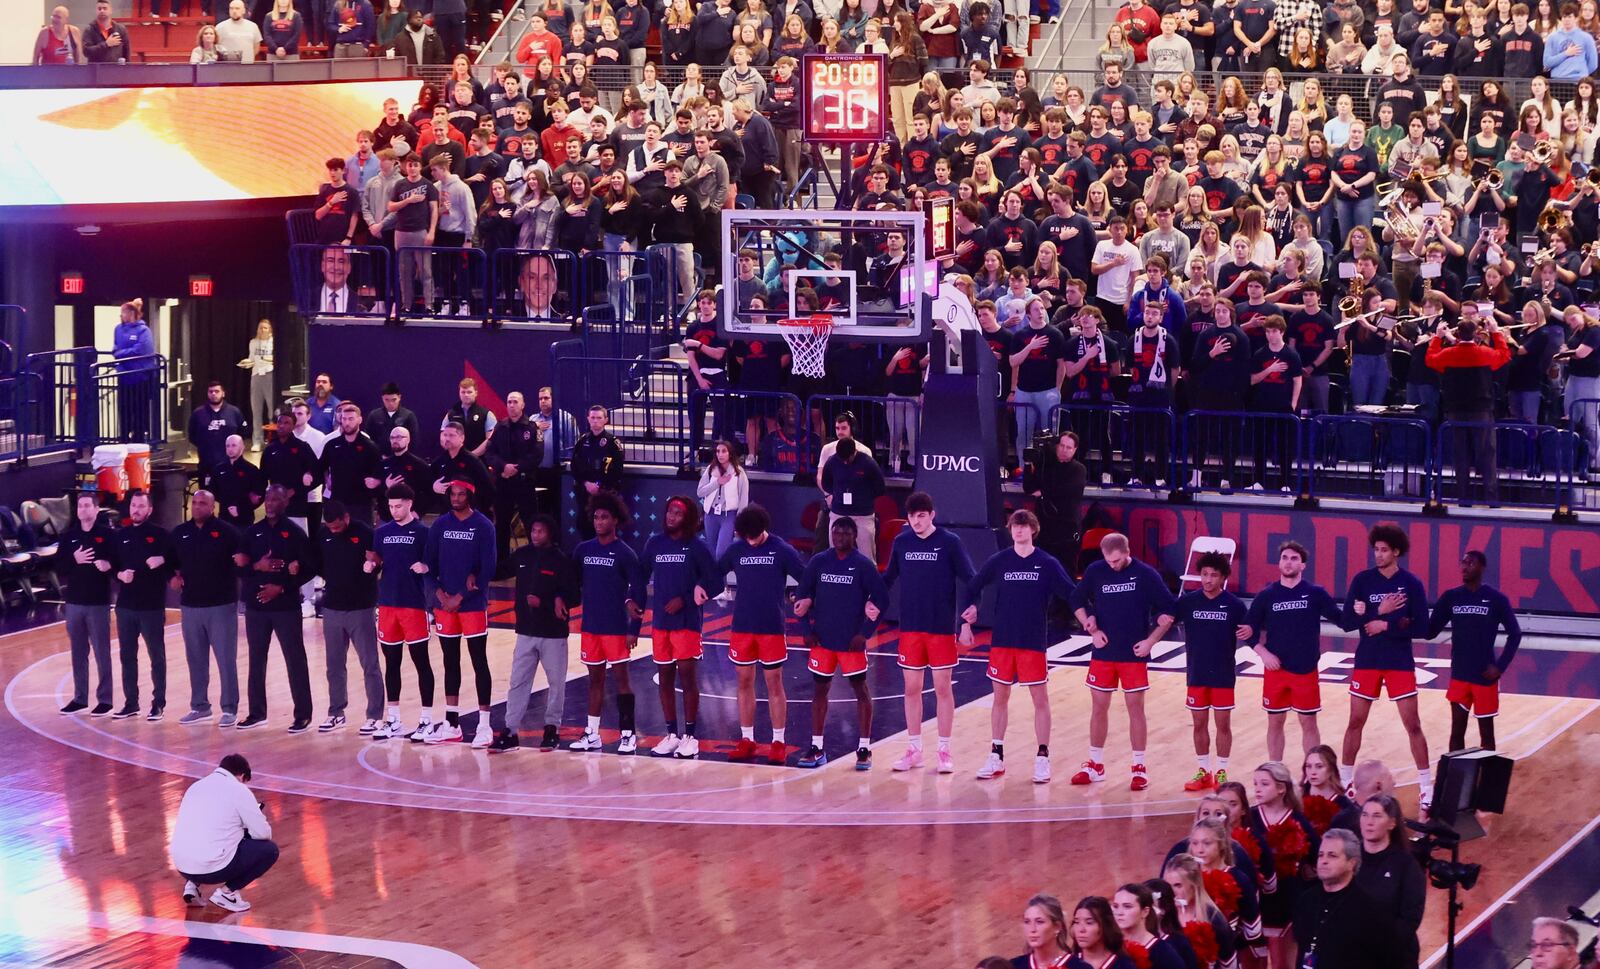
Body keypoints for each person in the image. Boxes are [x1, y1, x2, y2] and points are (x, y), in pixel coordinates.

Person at [962, 509, 1075, 783]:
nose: (1019, 530)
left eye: (1024, 526)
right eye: (1015, 526)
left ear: (1033, 530)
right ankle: (996, 756)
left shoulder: (1046, 563)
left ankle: (1042, 757)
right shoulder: (999, 560)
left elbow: (1072, 593)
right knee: (1000, 700)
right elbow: (972, 586)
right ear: (1010, 529)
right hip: (1002, 641)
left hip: (1032, 641)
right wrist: (968, 617)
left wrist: (1092, 618)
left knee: (1040, 700)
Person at [1070, 531, 1176, 790]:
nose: (1113, 565)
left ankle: (1139, 767)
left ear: (1128, 553)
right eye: (1109, 561)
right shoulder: (1096, 571)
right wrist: (1089, 625)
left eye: (1117, 561)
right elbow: (1076, 598)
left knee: (1135, 709)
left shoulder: (1146, 574)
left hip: (1133, 653)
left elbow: (1169, 608)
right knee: (1098, 707)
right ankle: (1095, 764)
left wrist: (1152, 641)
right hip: (1104, 651)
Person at [883, 491, 975, 774]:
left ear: (932, 514)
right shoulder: (901, 542)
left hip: (940, 628)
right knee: (911, 689)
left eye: (921, 515)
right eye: (912, 516)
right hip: (910, 627)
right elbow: (887, 578)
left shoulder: (949, 543)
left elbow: (970, 579)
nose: (916, 521)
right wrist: (870, 601)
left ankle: (944, 750)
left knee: (942, 689)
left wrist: (968, 618)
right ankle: (914, 749)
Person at [1341, 524, 1433, 804]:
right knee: (1355, 721)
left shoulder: (1412, 584)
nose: (1378, 555)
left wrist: (1385, 625)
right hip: (1368, 659)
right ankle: (1346, 783)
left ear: (1396, 552)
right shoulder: (1362, 581)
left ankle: (1426, 786)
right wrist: (1375, 613)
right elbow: (1347, 622)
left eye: (1384, 550)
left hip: (1398, 661)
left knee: (1413, 724)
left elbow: (1423, 628)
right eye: (1376, 550)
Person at [714, 504, 805, 764]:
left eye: (755, 536)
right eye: (747, 537)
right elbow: (714, 574)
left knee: (774, 682)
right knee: (743, 681)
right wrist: (700, 587)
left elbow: (805, 577)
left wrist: (801, 597)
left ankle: (778, 741)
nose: (751, 541)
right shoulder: (737, 548)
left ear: (764, 529)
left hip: (771, 627)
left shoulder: (782, 549)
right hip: (742, 625)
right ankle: (747, 739)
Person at [793, 517, 887, 770]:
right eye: (836, 532)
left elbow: (882, 599)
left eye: (845, 533)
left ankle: (865, 748)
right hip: (822, 641)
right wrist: (806, 630)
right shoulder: (819, 562)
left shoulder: (863, 566)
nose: (840, 537)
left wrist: (865, 633)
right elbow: (801, 597)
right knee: (819, 692)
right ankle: (817, 747)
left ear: (854, 536)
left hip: (850, 643)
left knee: (861, 691)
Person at [631, 496, 718, 758]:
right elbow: (640, 576)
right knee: (665, 679)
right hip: (660, 624)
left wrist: (688, 597)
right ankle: (671, 734)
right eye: (670, 512)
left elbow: (715, 582)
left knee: (688, 678)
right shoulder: (654, 543)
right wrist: (631, 601)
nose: (671, 517)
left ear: (688, 518)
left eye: (678, 513)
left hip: (688, 623)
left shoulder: (697, 547)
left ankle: (690, 736)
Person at [1246, 540, 1346, 761]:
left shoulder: (1315, 593)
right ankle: (1275, 769)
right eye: (1284, 558)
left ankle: (1312, 773)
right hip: (1275, 669)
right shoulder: (1267, 595)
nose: (1288, 562)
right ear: (1279, 563)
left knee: (1308, 722)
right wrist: (1263, 653)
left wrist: (1360, 610)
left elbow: (1342, 620)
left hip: (1305, 668)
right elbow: (1247, 631)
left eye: (1294, 559)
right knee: (1275, 721)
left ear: (1303, 565)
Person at [423, 480, 498, 747]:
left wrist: (460, 596)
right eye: (452, 494)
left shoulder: (483, 526)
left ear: (470, 496)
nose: (455, 498)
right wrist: (439, 595)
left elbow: (489, 568)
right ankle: (451, 723)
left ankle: (484, 725)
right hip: (445, 605)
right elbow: (428, 566)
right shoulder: (440, 525)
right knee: (450, 661)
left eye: (461, 494)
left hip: (472, 604)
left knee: (479, 661)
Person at [491, 514, 574, 753]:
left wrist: (548, 601)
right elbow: (498, 571)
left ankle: (551, 729)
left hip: (553, 634)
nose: (535, 535)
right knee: (517, 682)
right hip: (525, 631)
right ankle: (510, 731)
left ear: (550, 533)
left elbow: (573, 596)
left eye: (540, 531)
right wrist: (476, 567)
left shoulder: (561, 560)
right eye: (533, 531)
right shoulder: (522, 555)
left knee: (556, 684)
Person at [568, 494, 643, 753]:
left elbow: (639, 592)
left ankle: (627, 734)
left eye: (605, 517)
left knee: (622, 680)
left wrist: (634, 629)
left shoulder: (625, 553)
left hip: (615, 628)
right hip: (590, 627)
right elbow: (571, 585)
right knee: (594, 681)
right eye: (596, 517)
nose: (599, 521)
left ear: (616, 520)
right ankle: (592, 733)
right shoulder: (583, 550)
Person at [236, 485, 314, 734]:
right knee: (256, 660)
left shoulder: (295, 533)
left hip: (285, 607)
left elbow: (309, 568)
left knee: (295, 659)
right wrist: (258, 567)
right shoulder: (251, 533)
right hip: (256, 608)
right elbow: (240, 568)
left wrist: (281, 587)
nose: (270, 504)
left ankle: (302, 715)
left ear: (285, 503)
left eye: (276, 499)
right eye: (267, 499)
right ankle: (257, 713)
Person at [1426, 550, 1522, 751]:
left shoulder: (1496, 599)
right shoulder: (1451, 597)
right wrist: (1407, 622)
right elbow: (1430, 631)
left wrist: (1500, 666)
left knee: (1486, 735)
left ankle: (1487, 781)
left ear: (1482, 567)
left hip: (1485, 676)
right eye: (1463, 562)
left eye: (1471, 563)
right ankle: (1456, 780)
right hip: (1460, 674)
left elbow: (1515, 634)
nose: (1465, 566)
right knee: (1456, 731)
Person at [1173, 552, 1248, 792]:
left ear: (1223, 577)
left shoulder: (1235, 605)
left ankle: (1222, 772)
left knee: (1223, 725)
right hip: (1196, 674)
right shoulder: (1188, 602)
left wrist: (1251, 634)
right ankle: (1203, 771)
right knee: (1198, 724)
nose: (1207, 580)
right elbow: (1166, 617)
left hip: (1223, 675)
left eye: (1213, 575)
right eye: (1204, 574)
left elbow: (1251, 630)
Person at [170, 754, 278, 914]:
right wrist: (244, 829)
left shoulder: (195, 787)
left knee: (200, 835)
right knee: (270, 850)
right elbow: (263, 833)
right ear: (242, 776)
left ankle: (191, 886)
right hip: (215, 868)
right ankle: (228, 893)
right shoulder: (239, 790)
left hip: (182, 866)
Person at [310, 500, 383, 735]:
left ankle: (374, 716)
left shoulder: (365, 533)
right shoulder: (323, 535)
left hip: (361, 608)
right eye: (330, 527)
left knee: (369, 664)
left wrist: (374, 563)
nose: (333, 530)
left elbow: (379, 563)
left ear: (346, 517)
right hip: (332, 608)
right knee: (334, 665)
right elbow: (318, 565)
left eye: (337, 526)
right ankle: (336, 713)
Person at [171, 491, 243, 727]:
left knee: (225, 658)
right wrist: (173, 576)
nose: (197, 507)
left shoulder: (227, 533)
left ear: (213, 507)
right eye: (195, 503)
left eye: (203, 503)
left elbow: (241, 563)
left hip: (221, 605)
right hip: (190, 605)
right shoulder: (181, 533)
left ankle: (230, 708)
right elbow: (171, 563)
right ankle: (199, 706)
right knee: (195, 659)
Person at [371, 484, 436, 742]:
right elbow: (377, 560)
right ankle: (394, 718)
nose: (394, 510)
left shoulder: (423, 533)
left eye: (398, 505)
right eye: (390, 506)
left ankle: (426, 719)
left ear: (410, 503)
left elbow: (434, 563)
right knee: (391, 663)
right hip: (387, 604)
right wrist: (371, 564)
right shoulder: (382, 532)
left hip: (413, 604)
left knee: (421, 662)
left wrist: (426, 566)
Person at [1426, 313, 1512, 504]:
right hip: (1481, 410)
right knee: (1487, 454)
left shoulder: (1449, 354)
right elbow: (1504, 356)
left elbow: (1431, 360)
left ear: (1457, 334)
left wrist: (1437, 337)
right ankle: (1491, 497)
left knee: (1461, 455)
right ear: (1475, 334)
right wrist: (1496, 333)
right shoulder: (1484, 353)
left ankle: (1463, 497)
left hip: (1456, 410)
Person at [1291, 829, 1406, 969]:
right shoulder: (1306, 901)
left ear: (1352, 863)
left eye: (1332, 855)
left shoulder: (1370, 912)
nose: (1323, 861)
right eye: (1321, 855)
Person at [112, 491, 170, 722]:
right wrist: (119, 574)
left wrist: (162, 560)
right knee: (127, 656)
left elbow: (176, 560)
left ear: (149, 509)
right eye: (133, 505)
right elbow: (112, 567)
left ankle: (158, 703)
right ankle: (131, 702)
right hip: (125, 606)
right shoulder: (121, 536)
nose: (136, 509)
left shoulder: (161, 535)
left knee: (156, 656)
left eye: (140, 506)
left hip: (151, 606)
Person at [57, 492, 116, 717]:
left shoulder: (107, 535)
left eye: (87, 506)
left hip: (98, 602)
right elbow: (59, 567)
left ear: (96, 509)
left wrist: (107, 564)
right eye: (80, 506)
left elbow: (117, 562)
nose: (82, 510)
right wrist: (75, 559)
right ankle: (80, 698)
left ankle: (105, 699)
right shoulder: (69, 537)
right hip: (74, 602)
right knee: (78, 652)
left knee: (102, 652)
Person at [1355, 794, 1426, 967]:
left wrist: (1378, 948)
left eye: (1377, 816)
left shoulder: (1406, 864)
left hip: (1393, 958)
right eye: (1365, 814)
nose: (1368, 821)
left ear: (1392, 823)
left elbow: (1410, 919)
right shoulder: (1348, 858)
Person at [485, 389, 540, 567]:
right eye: (509, 402)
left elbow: (536, 454)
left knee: (530, 521)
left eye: (515, 401)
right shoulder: (500, 427)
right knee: (501, 523)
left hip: (524, 482)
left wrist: (516, 468)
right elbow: (490, 453)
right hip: (503, 483)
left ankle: (533, 561)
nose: (512, 405)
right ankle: (501, 562)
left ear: (523, 405)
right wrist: (503, 467)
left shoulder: (532, 428)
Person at [819, 437, 886, 566]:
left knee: (867, 556)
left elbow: (880, 488)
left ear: (854, 452)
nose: (844, 462)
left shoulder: (868, 463)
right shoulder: (832, 462)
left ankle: (869, 584)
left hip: (863, 515)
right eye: (841, 459)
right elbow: (826, 483)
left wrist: (864, 498)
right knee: (834, 552)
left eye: (847, 459)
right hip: (839, 512)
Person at [320, 402, 383, 523]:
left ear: (359, 420)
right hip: (337, 501)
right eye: (344, 419)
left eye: (351, 419)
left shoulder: (370, 447)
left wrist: (376, 482)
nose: (347, 423)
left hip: (361, 503)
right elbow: (320, 466)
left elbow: (379, 473)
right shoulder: (332, 445)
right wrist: (327, 478)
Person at [571, 404, 625, 539]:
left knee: (605, 526)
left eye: (599, 418)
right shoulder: (582, 441)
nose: (595, 421)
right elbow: (575, 466)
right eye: (593, 417)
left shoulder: (613, 442)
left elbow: (616, 469)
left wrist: (599, 484)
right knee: (584, 524)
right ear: (588, 419)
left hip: (604, 492)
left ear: (606, 420)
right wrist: (585, 483)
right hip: (585, 491)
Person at [111, 299, 157, 443]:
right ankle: (123, 439)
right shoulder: (118, 329)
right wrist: (123, 353)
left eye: (124, 312)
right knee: (124, 410)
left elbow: (142, 350)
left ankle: (138, 439)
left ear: (131, 313)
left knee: (139, 411)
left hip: (141, 377)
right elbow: (115, 349)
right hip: (124, 377)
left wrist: (122, 353)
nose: (121, 315)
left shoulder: (144, 330)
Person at [1109, 884, 1186, 969]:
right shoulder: (1110, 947)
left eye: (1127, 906)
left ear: (1145, 912)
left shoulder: (1163, 952)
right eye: (1115, 906)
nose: (1119, 912)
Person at [697, 440, 747, 560]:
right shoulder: (710, 470)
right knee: (713, 553)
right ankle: (718, 579)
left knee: (721, 553)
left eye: (724, 451)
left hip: (728, 515)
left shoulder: (739, 473)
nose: (720, 454)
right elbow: (700, 492)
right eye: (718, 451)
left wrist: (740, 522)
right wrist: (717, 483)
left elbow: (743, 499)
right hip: (711, 514)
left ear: (730, 453)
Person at [205, 434, 264, 531]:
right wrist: (226, 503)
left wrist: (241, 509)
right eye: (227, 446)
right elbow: (213, 491)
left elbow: (259, 495)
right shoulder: (219, 469)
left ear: (242, 447)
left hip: (244, 520)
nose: (230, 449)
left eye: (234, 445)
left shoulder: (251, 470)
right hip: (224, 517)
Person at [188, 381, 249, 472]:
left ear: (223, 393)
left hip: (231, 464)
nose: (213, 394)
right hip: (206, 464)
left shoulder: (234, 412)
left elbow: (243, 433)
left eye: (217, 391)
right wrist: (205, 446)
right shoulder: (198, 413)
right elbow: (192, 435)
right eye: (210, 391)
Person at [238, 321, 274, 450]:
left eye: (265, 328)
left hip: (269, 375)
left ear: (270, 330)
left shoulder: (273, 342)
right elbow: (251, 359)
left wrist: (264, 359)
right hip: (256, 375)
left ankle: (272, 439)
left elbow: (275, 358)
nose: (262, 330)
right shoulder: (253, 342)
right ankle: (257, 441)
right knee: (256, 410)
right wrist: (245, 364)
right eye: (260, 327)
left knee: (271, 409)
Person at [1010, 894, 1071, 968]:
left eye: (1039, 922)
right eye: (1027, 922)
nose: (1032, 929)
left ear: (1057, 927)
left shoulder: (1079, 967)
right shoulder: (1012, 966)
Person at [365, 382, 419, 458]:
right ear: (382, 398)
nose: (390, 403)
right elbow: (368, 440)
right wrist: (379, 455)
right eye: (387, 400)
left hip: (403, 459)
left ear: (399, 397)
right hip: (379, 459)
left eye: (394, 400)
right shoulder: (374, 416)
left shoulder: (408, 416)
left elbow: (413, 441)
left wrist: (404, 456)